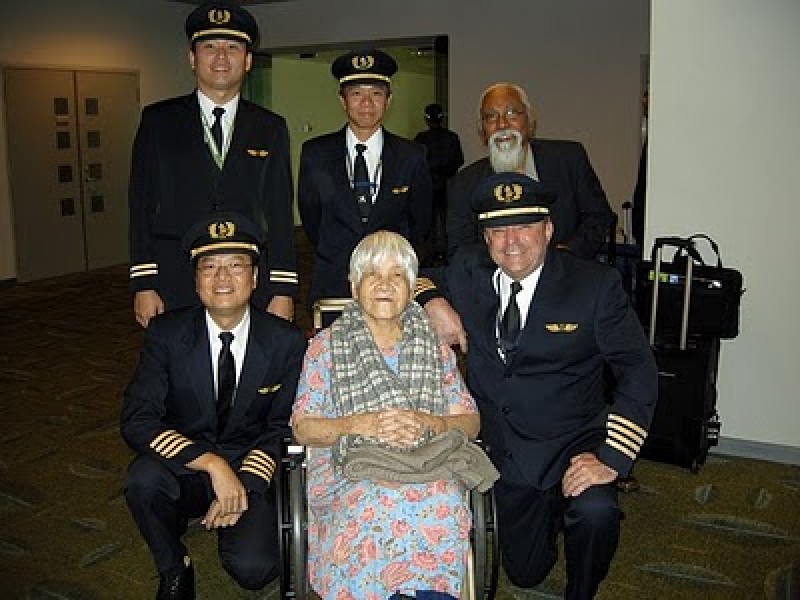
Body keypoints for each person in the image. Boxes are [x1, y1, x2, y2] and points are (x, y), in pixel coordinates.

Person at [417, 173, 657, 599]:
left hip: (573, 444)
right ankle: (543, 525)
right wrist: (432, 301)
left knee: (595, 512)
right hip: (505, 452)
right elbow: (406, 271)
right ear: (485, 237)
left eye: (524, 227)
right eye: (498, 229)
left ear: (548, 230)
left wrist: (613, 456)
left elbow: (638, 369)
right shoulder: (467, 270)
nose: (512, 241)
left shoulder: (594, 286)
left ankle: (582, 590)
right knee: (525, 573)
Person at [291, 231, 497, 600]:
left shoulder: (434, 346)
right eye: (373, 275)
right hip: (350, 464)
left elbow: (470, 421)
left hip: (428, 461)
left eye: (397, 275)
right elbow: (303, 427)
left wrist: (429, 422)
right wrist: (360, 425)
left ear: (411, 287)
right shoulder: (324, 347)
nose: (385, 285)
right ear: (354, 288)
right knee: (370, 505)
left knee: (444, 505)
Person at [121, 212, 306, 600]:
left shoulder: (285, 341)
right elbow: (138, 418)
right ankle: (174, 567)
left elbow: (284, 425)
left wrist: (245, 483)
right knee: (142, 480)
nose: (222, 278)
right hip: (187, 465)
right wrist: (212, 464)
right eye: (210, 267)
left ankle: (229, 514)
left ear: (255, 278)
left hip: (249, 466)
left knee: (255, 570)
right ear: (195, 279)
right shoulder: (167, 334)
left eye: (236, 266)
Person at [128, 1, 297, 328]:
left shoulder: (270, 127)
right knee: (180, 369)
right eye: (209, 47)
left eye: (232, 47)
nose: (221, 57)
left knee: (250, 368)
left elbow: (279, 212)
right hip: (176, 276)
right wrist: (144, 283)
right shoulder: (158, 121)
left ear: (248, 61)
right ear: (192, 58)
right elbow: (141, 206)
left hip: (246, 276)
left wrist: (283, 288)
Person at [298, 48, 433, 325]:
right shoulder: (316, 153)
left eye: (376, 94)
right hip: (334, 282)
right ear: (342, 100)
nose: (367, 103)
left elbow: (421, 222)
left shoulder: (411, 155)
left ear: (389, 100)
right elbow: (312, 218)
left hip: (392, 286)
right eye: (357, 94)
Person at [446, 82, 614, 260]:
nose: (502, 124)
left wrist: (567, 254)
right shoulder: (463, 184)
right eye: (490, 117)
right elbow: (460, 250)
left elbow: (599, 216)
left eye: (512, 113)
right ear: (482, 131)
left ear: (530, 121)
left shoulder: (568, 160)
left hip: (568, 277)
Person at [414, 103, 464, 262]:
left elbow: (415, 164)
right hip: (448, 185)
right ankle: (446, 252)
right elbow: (458, 160)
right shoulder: (451, 137)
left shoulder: (421, 139)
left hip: (427, 186)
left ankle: (430, 254)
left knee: (427, 222)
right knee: (447, 220)